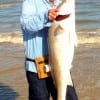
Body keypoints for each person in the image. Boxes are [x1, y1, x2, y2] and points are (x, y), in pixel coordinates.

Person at [20, 0, 78, 100]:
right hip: (37, 67)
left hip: (61, 66)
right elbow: (26, 25)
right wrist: (46, 16)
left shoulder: (61, 2)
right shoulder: (30, 2)